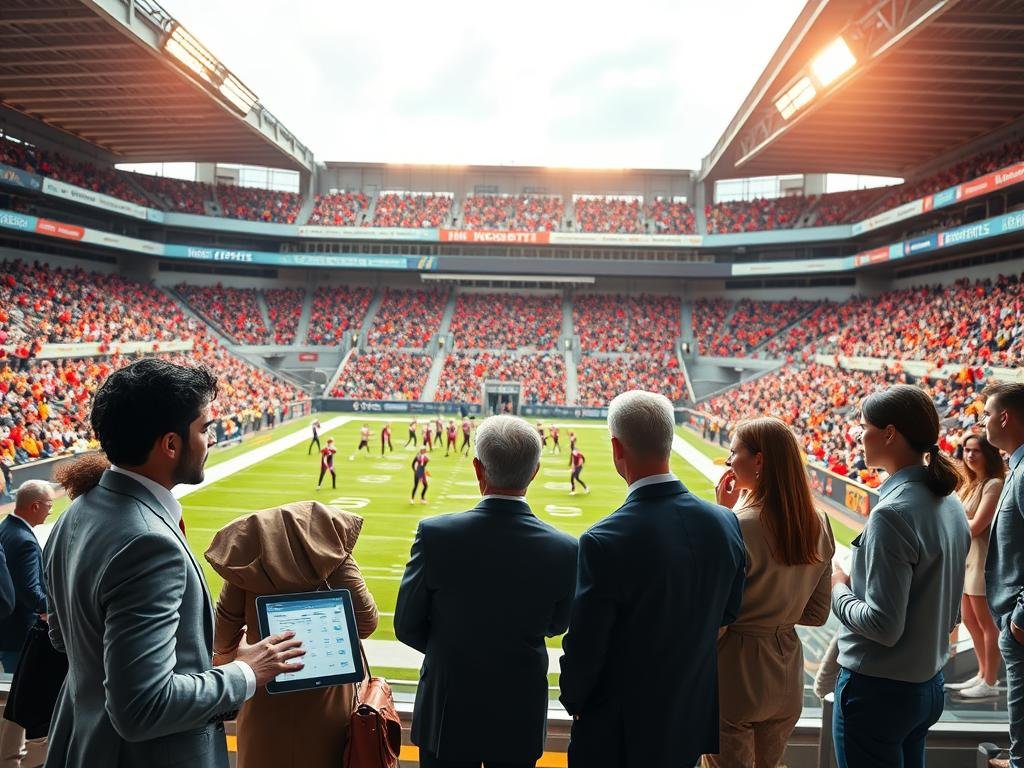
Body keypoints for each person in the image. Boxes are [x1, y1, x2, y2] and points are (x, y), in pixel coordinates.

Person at [42, 359, 304, 768]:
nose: (211, 439)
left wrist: (191, 660)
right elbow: (141, 707)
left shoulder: (75, 512)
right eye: (203, 428)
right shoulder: (148, 543)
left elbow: (65, 639)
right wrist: (246, 672)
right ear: (170, 444)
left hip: (82, 741)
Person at [559, 390, 746, 767]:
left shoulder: (604, 540)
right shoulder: (725, 521)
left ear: (617, 448)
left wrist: (574, 701)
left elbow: (586, 646)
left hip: (618, 730)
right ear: (670, 440)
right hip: (688, 718)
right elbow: (728, 612)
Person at [395, 415, 578, 768]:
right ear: (535, 472)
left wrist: (452, 646)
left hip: (447, 706)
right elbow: (558, 623)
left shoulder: (436, 535)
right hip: (518, 708)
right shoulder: (565, 549)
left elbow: (406, 624)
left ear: (478, 469)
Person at [831, 384, 970, 768]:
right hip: (927, 687)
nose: (858, 435)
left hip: (878, 691)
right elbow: (951, 612)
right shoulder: (951, 502)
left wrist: (838, 588)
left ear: (889, 433)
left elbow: (882, 625)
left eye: (863, 426)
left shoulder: (892, 513)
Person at [702, 417, 834, 768]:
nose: (729, 461)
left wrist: (721, 515)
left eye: (734, 452)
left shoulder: (735, 524)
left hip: (734, 669)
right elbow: (818, 613)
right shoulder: (819, 522)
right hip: (787, 670)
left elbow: (712, 614)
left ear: (759, 460)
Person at [205, 501, 378, 768]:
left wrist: (251, 644)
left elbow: (221, 639)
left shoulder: (248, 562)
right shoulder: (334, 556)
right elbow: (366, 623)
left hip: (264, 700)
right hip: (330, 702)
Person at [982, 382, 1024, 768]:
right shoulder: (1017, 464)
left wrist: (1019, 620)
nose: (984, 422)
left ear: (1005, 417)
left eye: (987, 414)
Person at [0, 480, 54, 768]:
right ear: (34, 506)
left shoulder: (6, 528)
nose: (49, 511)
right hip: (20, 632)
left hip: (8, 630)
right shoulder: (22, 539)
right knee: (21, 704)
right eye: (48, 506)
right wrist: (53, 611)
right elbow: (29, 590)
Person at [947, 433, 1003, 699]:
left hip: (982, 559)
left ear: (988, 454)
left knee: (986, 623)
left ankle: (990, 681)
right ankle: (981, 673)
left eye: (976, 451)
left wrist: (948, 526)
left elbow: (977, 525)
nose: (969, 455)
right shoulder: (969, 484)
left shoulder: (994, 484)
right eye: (966, 450)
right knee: (969, 620)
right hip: (965, 559)